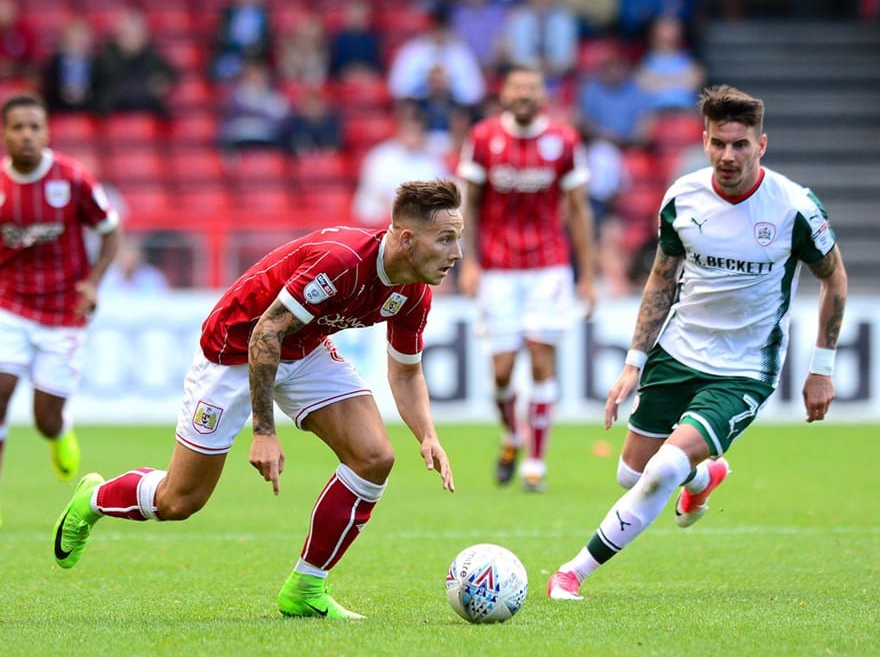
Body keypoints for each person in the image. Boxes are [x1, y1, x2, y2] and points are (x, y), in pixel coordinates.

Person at [52, 180, 461, 619]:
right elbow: (264, 332)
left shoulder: (414, 292)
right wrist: (264, 432)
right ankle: (93, 499)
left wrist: (428, 434)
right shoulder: (341, 262)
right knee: (179, 500)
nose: (456, 253)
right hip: (234, 348)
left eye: (457, 238)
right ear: (405, 238)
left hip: (304, 350)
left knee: (375, 457)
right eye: (446, 238)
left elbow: (405, 370)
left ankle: (306, 588)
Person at [547, 85, 848, 600]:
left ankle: (572, 572)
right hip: (678, 351)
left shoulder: (794, 207)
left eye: (740, 144)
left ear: (762, 145)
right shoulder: (682, 197)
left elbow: (834, 279)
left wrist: (822, 366)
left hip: (743, 368)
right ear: (704, 141)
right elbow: (661, 278)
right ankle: (704, 477)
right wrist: (633, 363)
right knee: (630, 474)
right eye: (718, 143)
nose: (728, 156)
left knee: (664, 467)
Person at [457, 64, 596, 491]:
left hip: (548, 267)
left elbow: (577, 209)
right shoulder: (482, 139)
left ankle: (536, 463)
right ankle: (512, 436)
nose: (524, 94)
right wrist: (468, 261)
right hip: (498, 270)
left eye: (532, 88)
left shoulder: (564, 140)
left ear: (543, 96)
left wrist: (585, 275)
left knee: (540, 360)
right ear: (504, 92)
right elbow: (469, 204)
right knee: (501, 373)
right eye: (517, 86)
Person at [0, 93, 120, 521]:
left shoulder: (72, 179)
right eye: (17, 127)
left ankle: (59, 432)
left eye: (34, 126)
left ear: (47, 132)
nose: (26, 135)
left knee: (45, 418)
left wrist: (92, 283)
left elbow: (110, 232)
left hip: (63, 313)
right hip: (8, 307)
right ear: (5, 134)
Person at [93, 7, 178, 118]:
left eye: (136, 33)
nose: (132, 38)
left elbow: (170, 74)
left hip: (147, 110)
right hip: (114, 111)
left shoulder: (152, 56)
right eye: (128, 33)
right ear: (119, 35)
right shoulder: (107, 57)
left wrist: (161, 82)